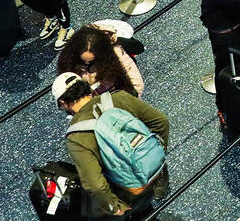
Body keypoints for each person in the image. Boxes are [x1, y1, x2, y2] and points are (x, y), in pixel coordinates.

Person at [53, 72, 169, 220]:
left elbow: (94, 184)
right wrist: (157, 154)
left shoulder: (76, 135)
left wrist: (113, 208)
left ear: (63, 103)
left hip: (124, 190)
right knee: (146, 211)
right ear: (85, 87)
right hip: (151, 175)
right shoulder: (119, 97)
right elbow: (162, 122)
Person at [57, 23, 144, 97]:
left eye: (91, 61)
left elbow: (135, 84)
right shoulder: (68, 59)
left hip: (116, 97)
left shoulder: (115, 53)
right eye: (83, 61)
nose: (86, 63)